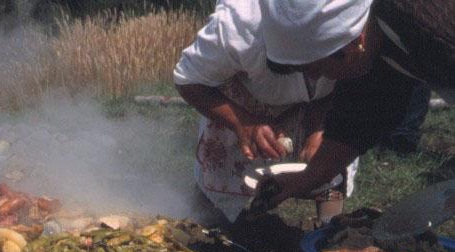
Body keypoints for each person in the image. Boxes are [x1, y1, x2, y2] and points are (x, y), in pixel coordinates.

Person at [173, 0, 359, 224]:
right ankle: (209, 221)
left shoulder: (352, 24)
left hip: (319, 102)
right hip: (245, 100)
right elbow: (188, 80)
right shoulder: (237, 27)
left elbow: (346, 87)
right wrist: (244, 124)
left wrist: (319, 128)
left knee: (330, 154)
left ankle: (328, 234)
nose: (313, 73)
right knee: (216, 200)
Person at [258, 0, 454, 209]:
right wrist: (308, 177)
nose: (315, 78)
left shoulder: (435, 25)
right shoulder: (375, 32)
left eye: (318, 68)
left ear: (352, 43)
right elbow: (361, 113)